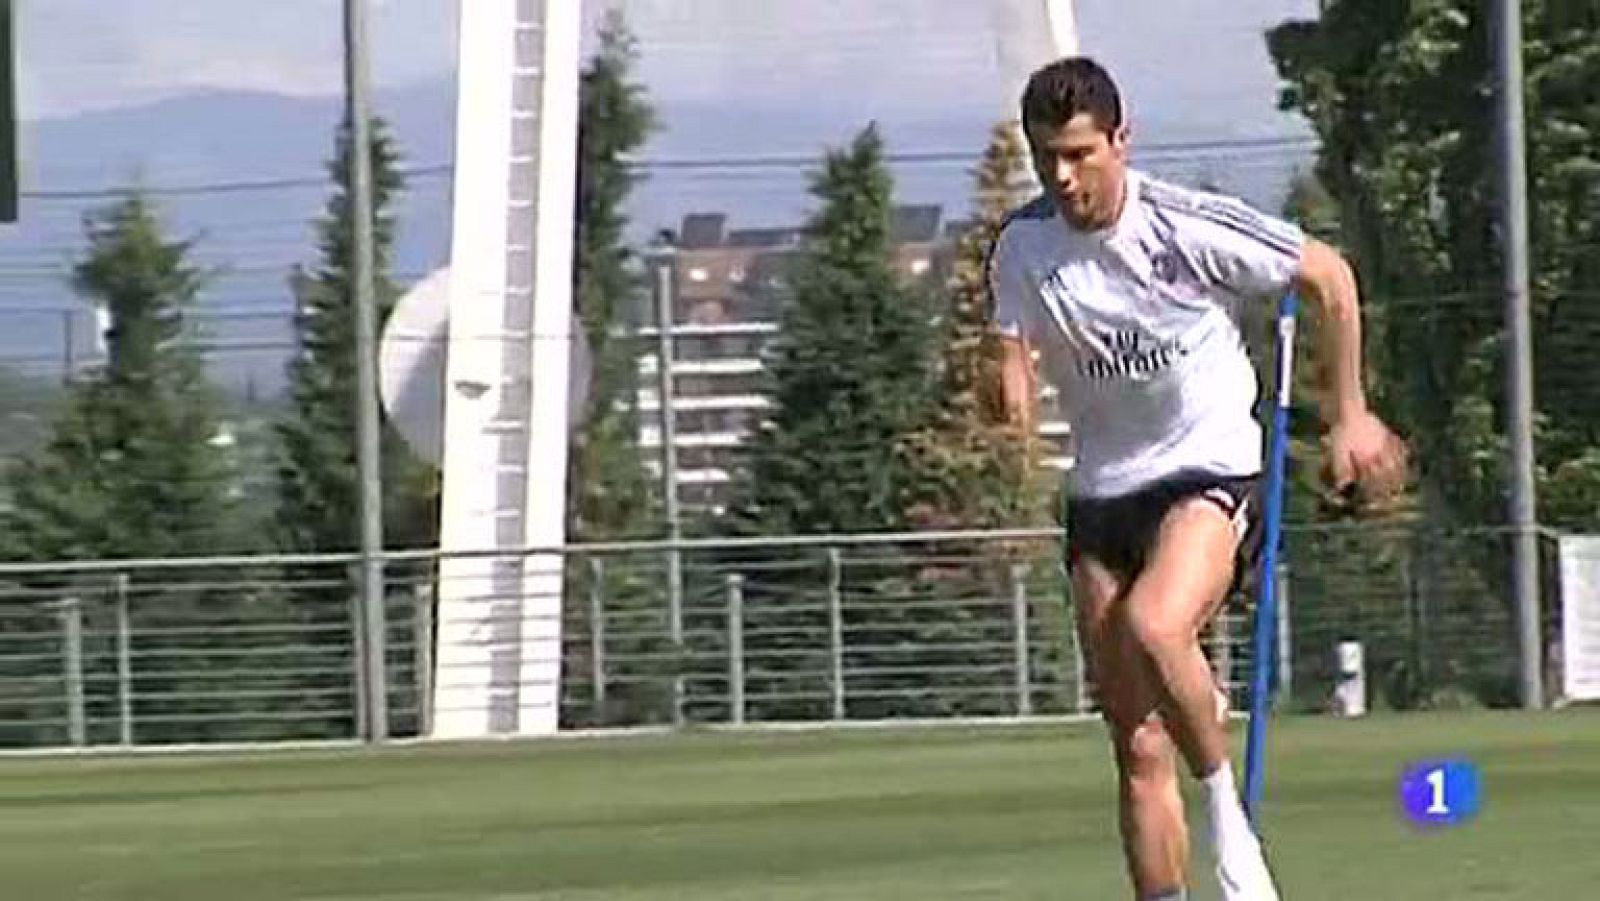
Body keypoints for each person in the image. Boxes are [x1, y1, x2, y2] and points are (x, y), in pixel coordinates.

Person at [991, 57, 1407, 901]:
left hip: (1208, 468)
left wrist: (1350, 413)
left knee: (1155, 624)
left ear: (1120, 140)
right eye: (1047, 159)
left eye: (1079, 154)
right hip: (1103, 495)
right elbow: (1008, 352)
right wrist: (1011, 401)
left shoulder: (1181, 225)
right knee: (1136, 745)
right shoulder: (1023, 246)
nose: (1063, 178)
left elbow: (1327, 275)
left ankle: (1230, 826)